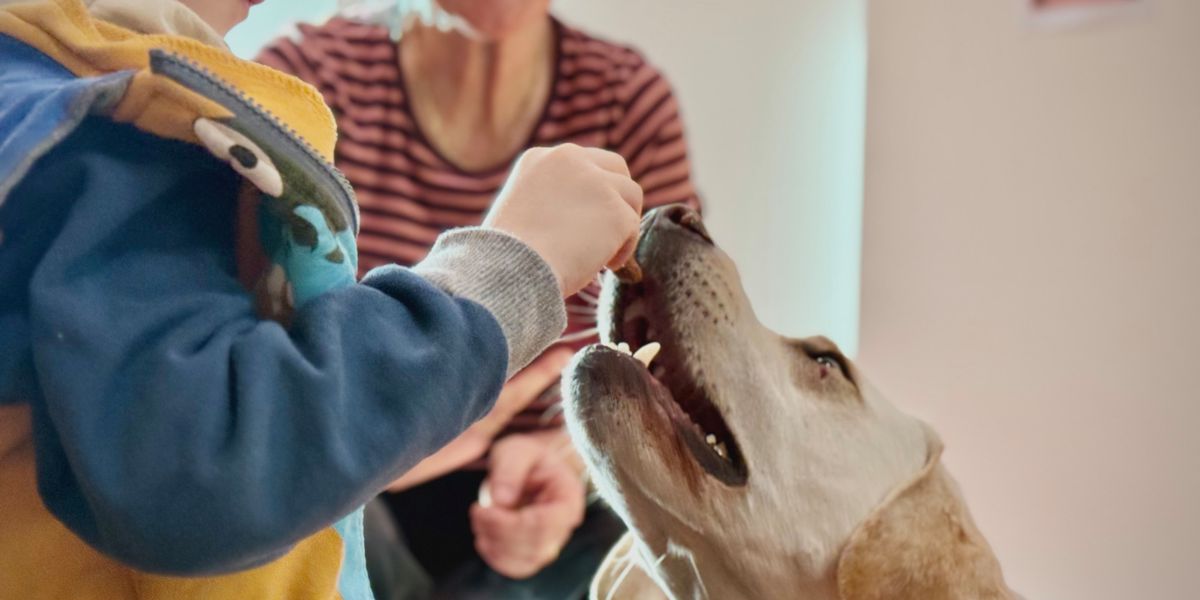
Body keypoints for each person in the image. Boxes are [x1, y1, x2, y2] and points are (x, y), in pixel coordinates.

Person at [0, 0, 643, 599]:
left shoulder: (57, 97)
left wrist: (560, 461)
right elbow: (200, 469)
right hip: (370, 488)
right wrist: (505, 273)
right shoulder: (118, 124)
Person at [256, 1, 701, 594]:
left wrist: (569, 461)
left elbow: (673, 373)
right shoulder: (305, 81)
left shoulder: (625, 101)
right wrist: (405, 429)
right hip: (358, 489)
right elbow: (262, 411)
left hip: (551, 517)